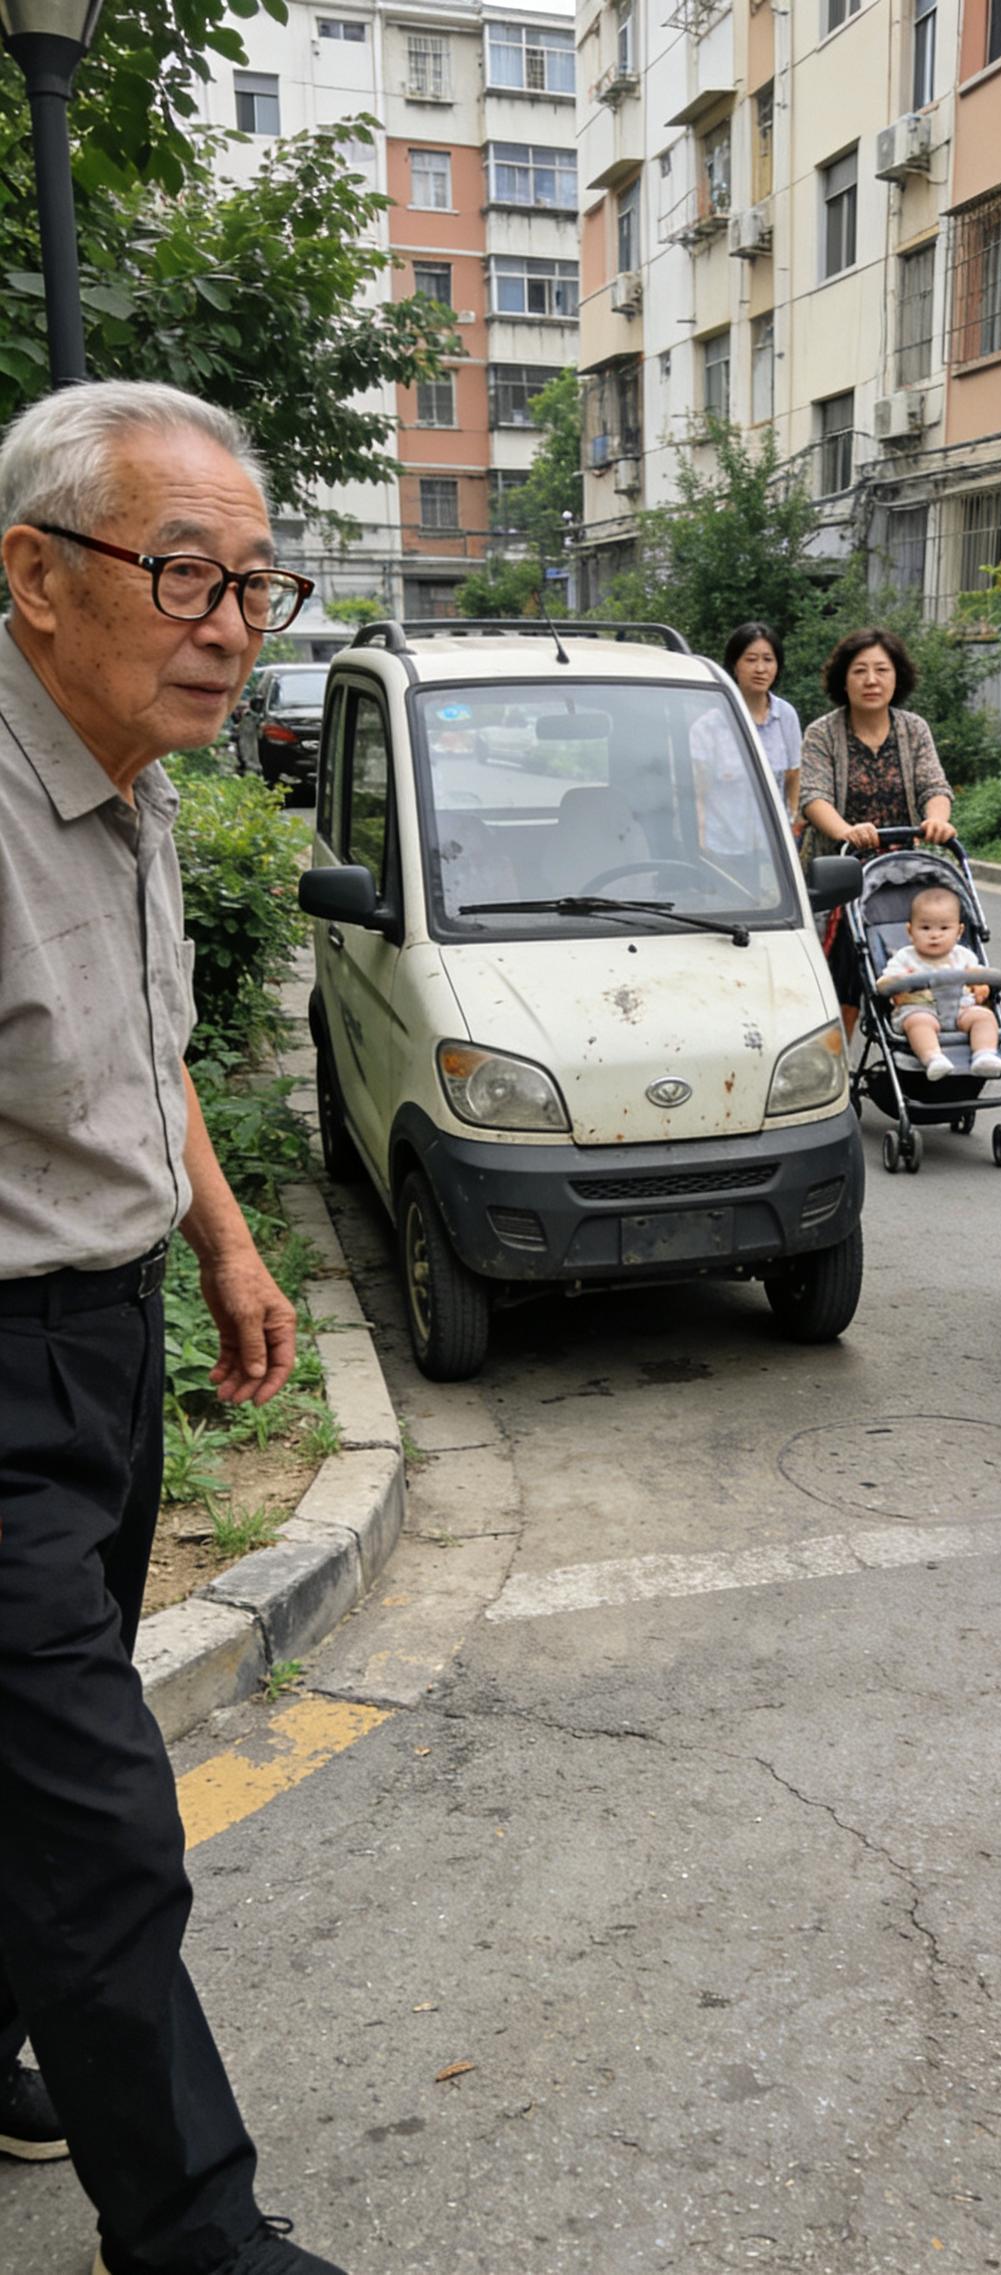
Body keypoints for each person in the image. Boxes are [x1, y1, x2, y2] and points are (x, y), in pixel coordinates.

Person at [0, 381, 351, 2275]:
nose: (229, 621)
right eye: (185, 570)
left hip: (105, 1338)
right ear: (36, 578)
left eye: (253, 581)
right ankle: (194, 2234)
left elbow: (142, 1059)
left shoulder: (126, 780)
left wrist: (221, 1246)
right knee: (105, 1817)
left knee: (38, 1772)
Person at [798, 625, 954, 1033]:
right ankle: (838, 1061)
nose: (871, 680)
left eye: (881, 670)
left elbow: (934, 787)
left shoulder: (913, 729)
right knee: (848, 961)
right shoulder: (822, 733)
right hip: (842, 871)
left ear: (896, 676)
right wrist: (848, 830)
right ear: (842, 680)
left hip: (901, 869)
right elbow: (814, 798)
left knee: (931, 945)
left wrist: (937, 818)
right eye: (860, 671)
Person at [879, 883, 1001, 1082]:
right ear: (910, 931)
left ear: (959, 931)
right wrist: (899, 981)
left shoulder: (964, 957)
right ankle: (933, 1057)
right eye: (925, 927)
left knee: (985, 1017)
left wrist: (981, 986)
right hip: (920, 1009)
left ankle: (985, 1055)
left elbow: (979, 980)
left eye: (944, 928)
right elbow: (884, 984)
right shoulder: (905, 957)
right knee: (918, 1023)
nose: (935, 934)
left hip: (961, 1010)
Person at [723, 620, 802, 824]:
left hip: (773, 842)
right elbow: (700, 790)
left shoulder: (786, 715)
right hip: (724, 843)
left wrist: (792, 820)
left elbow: (793, 775)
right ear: (734, 665)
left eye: (768, 659)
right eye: (750, 660)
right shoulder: (714, 720)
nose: (760, 669)